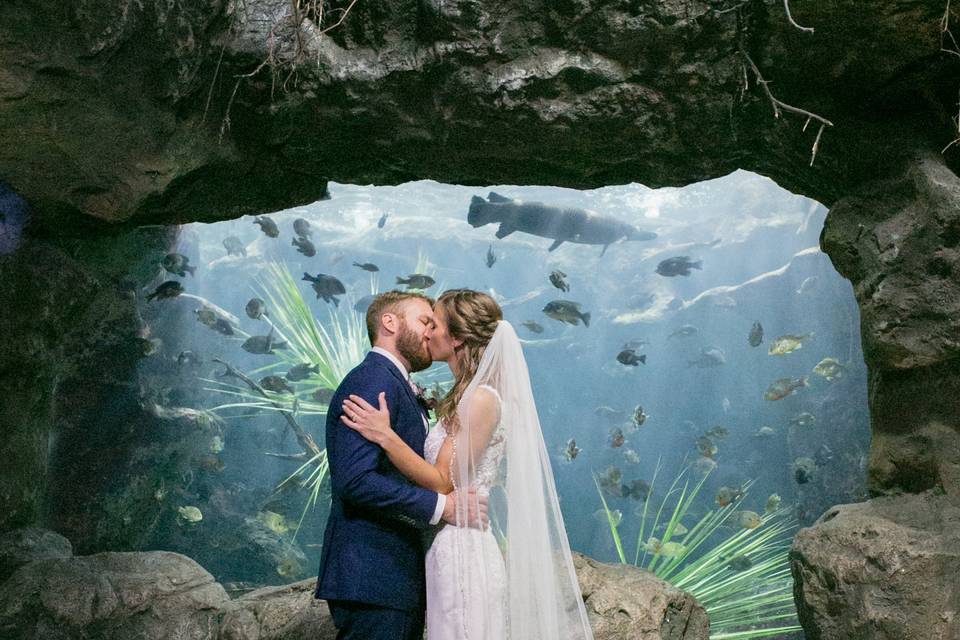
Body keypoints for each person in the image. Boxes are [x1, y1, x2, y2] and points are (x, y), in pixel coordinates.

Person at [341, 289, 594, 640]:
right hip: (445, 543)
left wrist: (386, 436)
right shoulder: (466, 394)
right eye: (424, 322)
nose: (428, 332)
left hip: (462, 549)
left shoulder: (481, 398)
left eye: (435, 324)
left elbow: (444, 480)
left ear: (457, 338)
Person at [314, 290, 488, 640]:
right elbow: (357, 480)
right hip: (373, 571)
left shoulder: (395, 383)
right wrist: (443, 506)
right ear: (389, 322)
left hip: (393, 574)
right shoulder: (372, 380)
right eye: (424, 320)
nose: (429, 331)